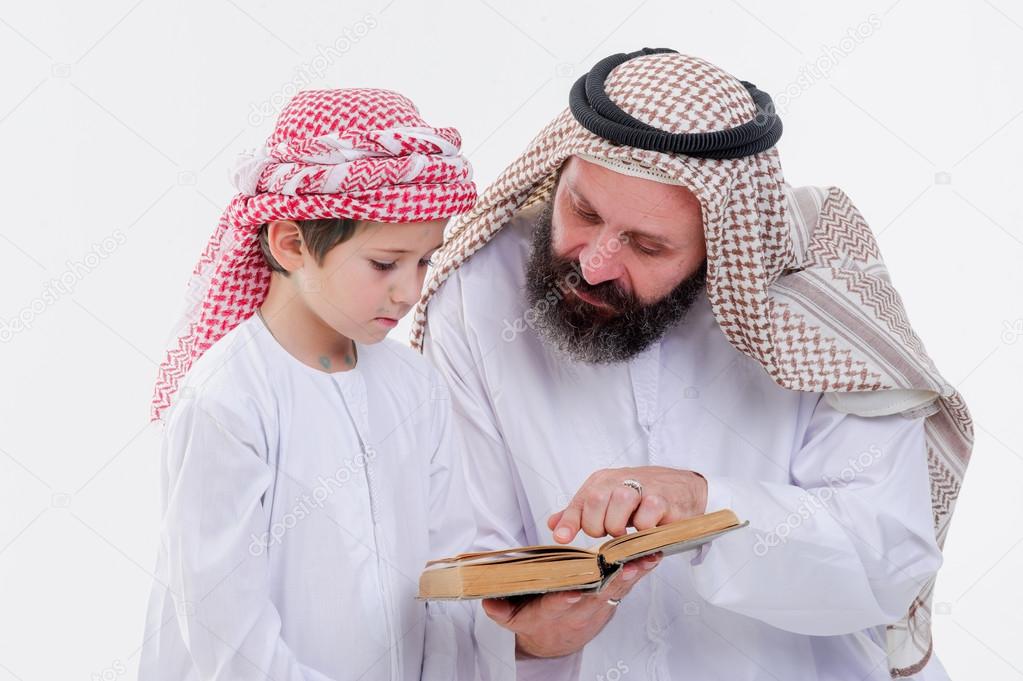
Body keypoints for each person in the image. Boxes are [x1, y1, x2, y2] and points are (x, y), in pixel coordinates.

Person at [412, 49, 973, 680]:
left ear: (720, 248)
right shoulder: (480, 289)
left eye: (648, 245)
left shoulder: (813, 301)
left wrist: (707, 506)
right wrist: (530, 638)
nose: (594, 264)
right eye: (584, 212)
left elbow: (888, 559)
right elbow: (455, 549)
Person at [140, 88, 479, 681]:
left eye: (424, 261)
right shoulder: (229, 399)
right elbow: (228, 635)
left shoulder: (415, 387)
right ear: (291, 243)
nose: (409, 292)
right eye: (384, 263)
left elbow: (450, 576)